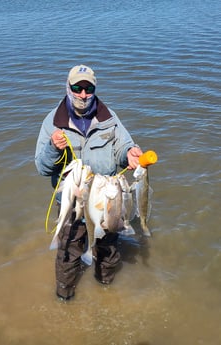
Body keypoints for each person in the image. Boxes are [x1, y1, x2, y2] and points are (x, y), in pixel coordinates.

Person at [35, 65, 143, 300]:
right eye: (77, 88)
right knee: (67, 255)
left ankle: (106, 291)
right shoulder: (52, 123)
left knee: (108, 252)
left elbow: (124, 147)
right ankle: (65, 298)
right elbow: (42, 168)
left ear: (94, 89)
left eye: (88, 88)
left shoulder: (109, 118)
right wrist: (53, 148)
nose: (83, 94)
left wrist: (130, 153)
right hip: (72, 205)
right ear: (68, 87)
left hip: (106, 204)